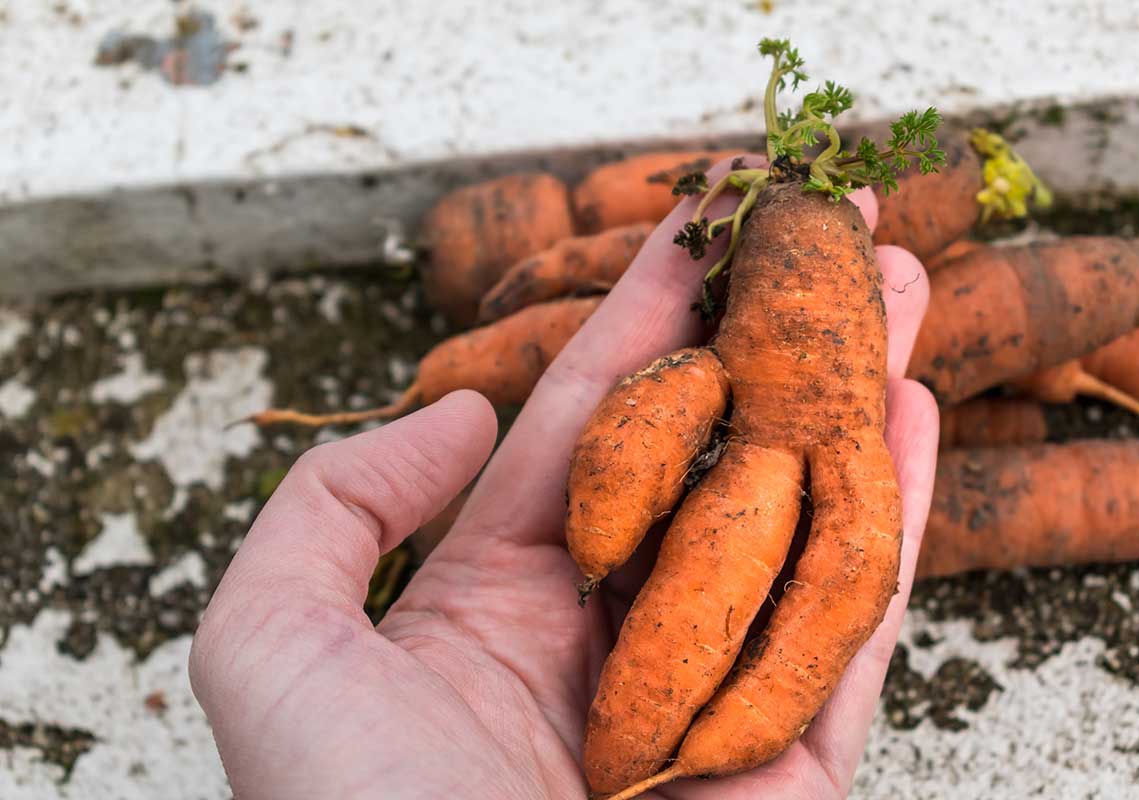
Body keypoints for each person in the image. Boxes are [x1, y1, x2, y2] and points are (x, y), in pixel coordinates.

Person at [189, 158, 939, 799]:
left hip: (822, 427)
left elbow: (640, 440)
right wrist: (599, 537)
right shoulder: (712, 391)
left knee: (843, 575)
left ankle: (647, 766)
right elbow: (625, 461)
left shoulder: (798, 436)